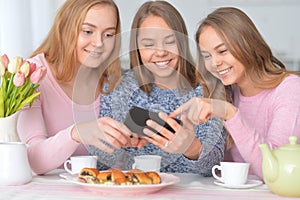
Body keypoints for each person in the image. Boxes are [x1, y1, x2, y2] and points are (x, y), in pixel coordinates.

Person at [88, 1, 227, 176]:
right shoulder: (117, 88)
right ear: (137, 48)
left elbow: (214, 167)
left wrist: (191, 147)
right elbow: (100, 163)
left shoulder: (207, 89)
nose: (160, 52)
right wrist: (115, 148)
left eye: (170, 42)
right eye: (148, 44)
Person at [170, 7, 300, 179]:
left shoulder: (290, 89)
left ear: (247, 44)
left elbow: (275, 173)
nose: (215, 63)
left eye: (222, 51)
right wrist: (190, 145)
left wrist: (230, 113)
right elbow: (213, 170)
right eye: (207, 56)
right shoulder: (223, 93)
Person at [17, 0, 137, 175]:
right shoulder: (32, 75)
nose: (99, 43)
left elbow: (119, 161)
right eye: (88, 31)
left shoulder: (114, 81)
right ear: (65, 29)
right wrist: (76, 133)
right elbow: (34, 161)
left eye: (109, 35)